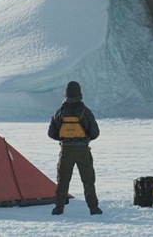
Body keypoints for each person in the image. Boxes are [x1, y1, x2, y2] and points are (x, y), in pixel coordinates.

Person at [47, 80, 102, 215]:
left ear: (66, 94)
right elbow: (95, 133)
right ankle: (93, 209)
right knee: (88, 180)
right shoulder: (85, 111)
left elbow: (51, 133)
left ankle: (58, 208)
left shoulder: (59, 112)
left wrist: (64, 138)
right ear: (79, 94)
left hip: (66, 150)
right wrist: (85, 138)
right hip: (82, 150)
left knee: (63, 180)